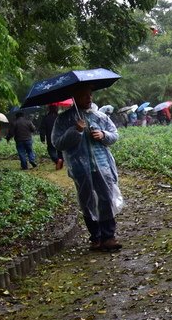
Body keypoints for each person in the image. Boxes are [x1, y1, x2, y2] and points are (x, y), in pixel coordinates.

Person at [52, 85, 124, 252]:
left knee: (106, 198)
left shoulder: (100, 116)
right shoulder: (63, 119)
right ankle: (95, 237)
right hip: (80, 168)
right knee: (87, 201)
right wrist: (75, 130)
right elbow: (57, 142)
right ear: (75, 98)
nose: (89, 98)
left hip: (102, 164)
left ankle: (109, 237)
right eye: (84, 95)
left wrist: (103, 135)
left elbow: (115, 134)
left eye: (90, 94)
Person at [40, 105, 64, 170]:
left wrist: (42, 138)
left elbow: (42, 129)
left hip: (50, 137)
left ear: (49, 109)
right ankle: (60, 162)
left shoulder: (46, 118)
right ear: (56, 109)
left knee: (51, 150)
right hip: (60, 137)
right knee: (60, 150)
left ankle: (57, 160)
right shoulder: (59, 117)